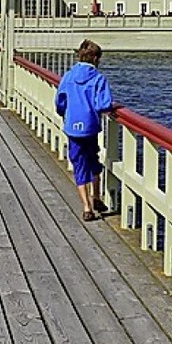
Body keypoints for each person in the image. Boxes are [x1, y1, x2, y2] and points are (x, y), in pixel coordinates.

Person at [55, 39, 114, 222]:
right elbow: (104, 104)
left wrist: (64, 112)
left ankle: (87, 207)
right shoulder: (98, 79)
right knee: (93, 161)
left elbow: (60, 101)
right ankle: (96, 196)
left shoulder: (69, 76)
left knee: (79, 166)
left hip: (73, 127)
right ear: (95, 58)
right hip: (90, 127)